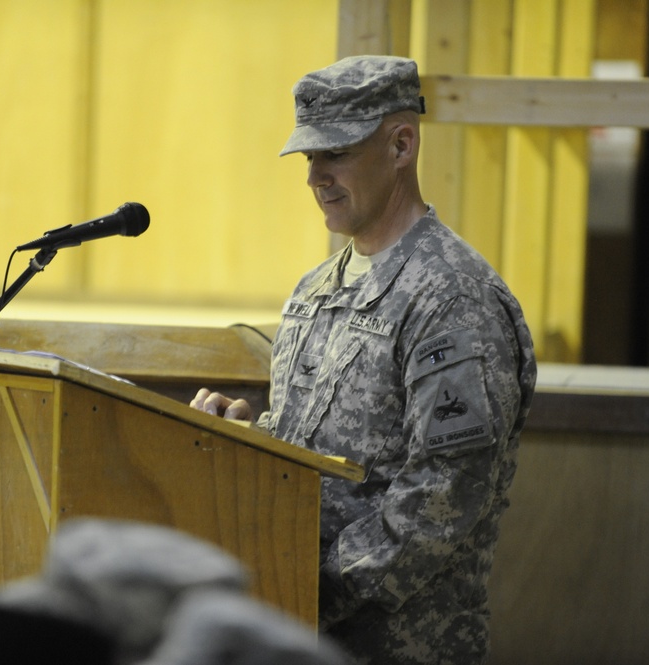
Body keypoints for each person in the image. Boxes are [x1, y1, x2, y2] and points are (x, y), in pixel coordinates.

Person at [191, 55, 537, 664]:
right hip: (299, 631)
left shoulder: (452, 295)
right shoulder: (316, 288)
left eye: (337, 153)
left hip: (394, 644)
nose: (315, 177)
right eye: (309, 158)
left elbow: (444, 496)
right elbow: (312, 443)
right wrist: (248, 440)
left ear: (401, 145)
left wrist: (309, 589)